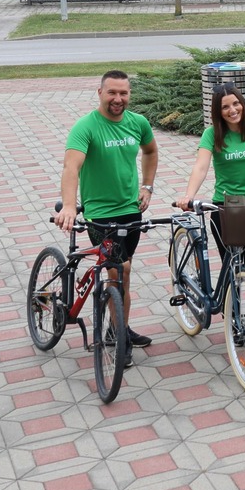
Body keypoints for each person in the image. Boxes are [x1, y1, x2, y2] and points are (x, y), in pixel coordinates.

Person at [54, 70, 159, 365]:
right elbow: (71, 167)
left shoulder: (138, 123)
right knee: (119, 270)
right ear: (100, 92)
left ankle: (117, 327)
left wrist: (147, 187)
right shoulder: (86, 127)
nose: (118, 98)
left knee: (124, 271)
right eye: (112, 92)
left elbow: (151, 151)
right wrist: (70, 206)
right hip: (100, 215)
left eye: (123, 93)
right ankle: (119, 338)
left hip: (131, 211)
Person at [176, 84, 245, 291]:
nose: (232, 110)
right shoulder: (211, 134)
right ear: (218, 111)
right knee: (231, 268)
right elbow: (201, 166)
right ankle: (230, 309)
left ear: (242, 103)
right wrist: (189, 196)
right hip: (225, 206)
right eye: (225, 107)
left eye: (236, 104)